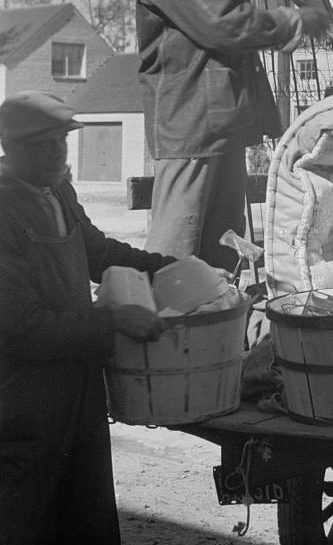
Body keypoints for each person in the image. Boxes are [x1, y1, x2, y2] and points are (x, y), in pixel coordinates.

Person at [136, 0, 329, 271]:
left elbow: (208, 15)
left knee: (222, 256)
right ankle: (167, 334)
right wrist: (294, 23)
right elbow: (219, 24)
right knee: (174, 262)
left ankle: (217, 335)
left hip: (214, 121)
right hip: (190, 126)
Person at [0, 91, 176, 545]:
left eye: (62, 139)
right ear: (10, 146)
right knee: (27, 518)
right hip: (23, 402)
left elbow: (97, 251)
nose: (58, 151)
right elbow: (22, 328)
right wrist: (114, 320)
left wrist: (169, 267)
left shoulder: (57, 190)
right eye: (43, 143)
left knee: (86, 514)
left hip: (79, 390)